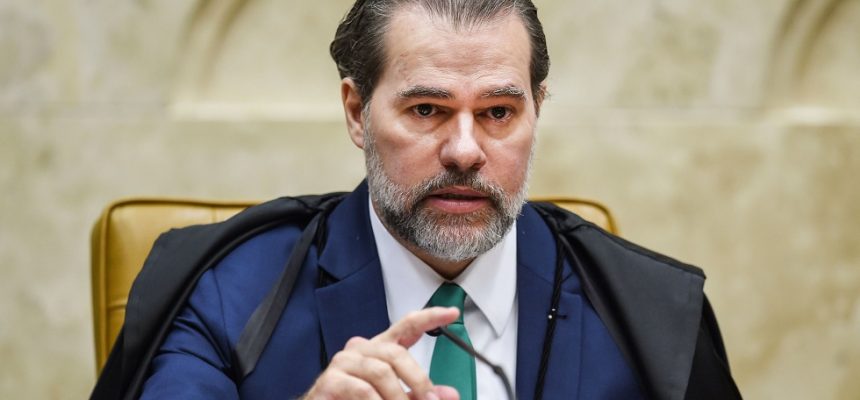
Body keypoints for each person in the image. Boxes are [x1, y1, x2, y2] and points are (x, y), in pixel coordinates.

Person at [92, 1, 741, 399]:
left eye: (498, 112)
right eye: (428, 109)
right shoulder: (222, 293)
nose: (465, 150)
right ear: (356, 111)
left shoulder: (653, 311)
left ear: (537, 111)